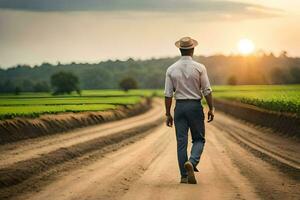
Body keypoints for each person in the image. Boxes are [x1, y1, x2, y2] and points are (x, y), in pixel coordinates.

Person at [164, 36, 214, 184]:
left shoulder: (171, 69)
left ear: (180, 50)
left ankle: (184, 176)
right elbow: (207, 90)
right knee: (198, 139)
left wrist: (168, 113)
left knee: (181, 142)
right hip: (194, 106)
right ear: (192, 50)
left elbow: (168, 94)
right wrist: (211, 108)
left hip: (179, 107)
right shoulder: (200, 68)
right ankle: (192, 162)